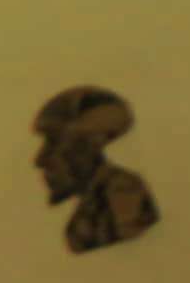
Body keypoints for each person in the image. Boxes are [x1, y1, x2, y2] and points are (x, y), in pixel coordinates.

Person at [31, 84, 159, 253]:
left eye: (54, 142)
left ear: (88, 146)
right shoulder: (91, 208)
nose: (39, 160)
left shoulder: (121, 194)